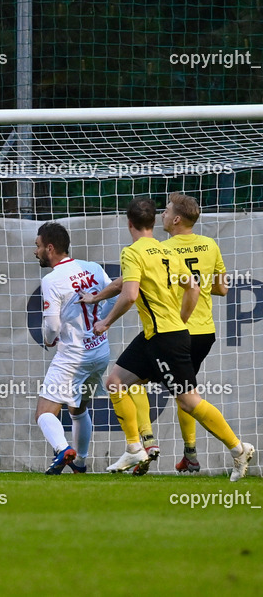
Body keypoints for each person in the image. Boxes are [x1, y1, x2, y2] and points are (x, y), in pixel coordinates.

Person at [88, 197, 253, 481]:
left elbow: (129, 294)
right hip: (158, 334)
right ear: (153, 222)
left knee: (188, 401)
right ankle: (134, 447)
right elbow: (193, 285)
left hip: (166, 337)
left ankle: (239, 448)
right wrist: (184, 317)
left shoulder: (134, 252)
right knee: (115, 382)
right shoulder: (166, 252)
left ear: (129, 223)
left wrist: (105, 321)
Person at [33, 222, 114, 474]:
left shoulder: (52, 279)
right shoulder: (93, 268)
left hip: (72, 355)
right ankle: (79, 463)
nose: (35, 251)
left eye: (37, 246)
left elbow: (53, 326)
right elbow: (113, 296)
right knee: (78, 408)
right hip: (99, 351)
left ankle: (62, 449)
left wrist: (48, 339)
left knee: (44, 412)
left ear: (50, 247)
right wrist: (103, 322)